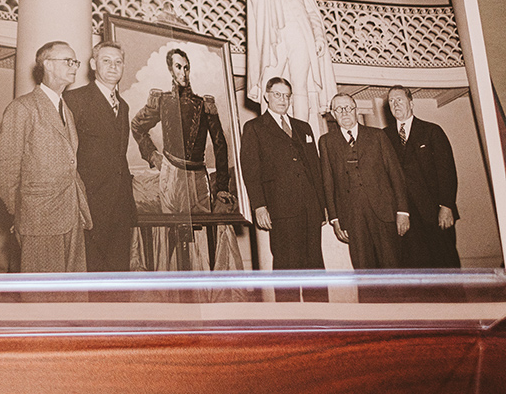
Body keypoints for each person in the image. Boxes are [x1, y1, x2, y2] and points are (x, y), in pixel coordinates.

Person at [130, 48, 242, 272]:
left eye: (186, 67)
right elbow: (137, 126)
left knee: (200, 233)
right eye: (178, 67)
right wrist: (153, 155)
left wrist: (221, 186)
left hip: (198, 177)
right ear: (171, 70)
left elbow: (220, 145)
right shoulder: (160, 101)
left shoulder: (204, 104)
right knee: (172, 232)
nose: (183, 72)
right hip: (171, 177)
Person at [0, 41, 92, 273]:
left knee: (72, 292)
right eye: (68, 61)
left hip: (71, 212)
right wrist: (18, 212)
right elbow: (5, 165)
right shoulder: (23, 108)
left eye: (75, 62)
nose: (75, 67)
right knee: (43, 293)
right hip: (39, 217)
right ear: (47, 64)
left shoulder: (65, 109)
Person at [240, 77, 326, 299]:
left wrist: (322, 206)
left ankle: (321, 321)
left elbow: (315, 169)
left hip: (310, 209)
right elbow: (251, 171)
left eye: (286, 95)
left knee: (315, 267)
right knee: (286, 268)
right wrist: (259, 206)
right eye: (277, 94)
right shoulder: (254, 128)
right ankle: (290, 321)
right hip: (281, 210)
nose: (282, 99)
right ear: (267, 96)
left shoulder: (303, 127)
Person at [246, 0, 337, 125]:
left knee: (300, 84)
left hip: (300, 33)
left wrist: (319, 37)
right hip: (274, 37)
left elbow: (311, 11)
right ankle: (271, 131)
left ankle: (302, 130)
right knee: (269, 82)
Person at [62, 41, 136, 272]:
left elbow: (118, 156)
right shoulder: (75, 100)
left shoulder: (122, 106)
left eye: (118, 62)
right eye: (106, 61)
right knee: (92, 274)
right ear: (93, 64)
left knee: (118, 274)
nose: (113, 67)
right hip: (90, 204)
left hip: (120, 205)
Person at [319, 93, 410, 269]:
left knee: (392, 265)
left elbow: (395, 174)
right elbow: (328, 182)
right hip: (352, 217)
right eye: (339, 109)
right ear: (332, 113)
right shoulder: (326, 142)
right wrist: (335, 218)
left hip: (384, 212)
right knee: (363, 268)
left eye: (348, 108)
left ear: (356, 109)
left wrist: (403, 211)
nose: (344, 112)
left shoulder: (377, 135)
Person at [387, 85, 460, 268]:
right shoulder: (384, 136)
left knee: (445, 263)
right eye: (391, 101)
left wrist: (446, 206)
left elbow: (447, 171)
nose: (395, 104)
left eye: (399, 99)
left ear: (411, 103)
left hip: (435, 213)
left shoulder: (432, 131)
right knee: (416, 268)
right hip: (406, 217)